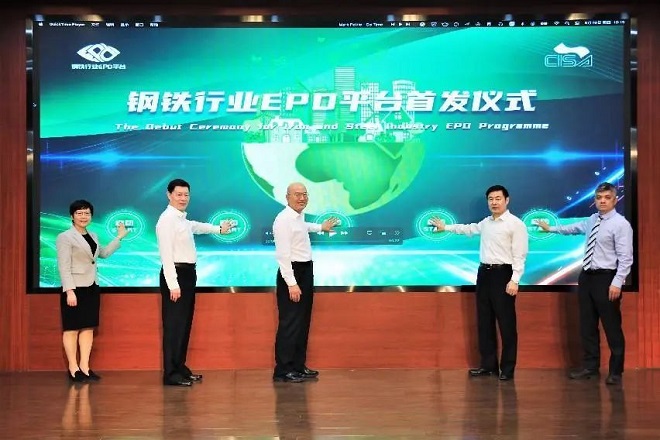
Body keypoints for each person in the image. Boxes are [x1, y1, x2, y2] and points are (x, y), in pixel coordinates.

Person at [536, 182, 633, 385]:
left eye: (607, 197)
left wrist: (617, 282)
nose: (602, 201)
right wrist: (550, 228)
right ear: (595, 200)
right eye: (599, 197)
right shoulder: (592, 220)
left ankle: (616, 372)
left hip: (607, 279)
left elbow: (626, 258)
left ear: (615, 200)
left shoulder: (621, 224)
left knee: (612, 326)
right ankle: (590, 367)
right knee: (587, 325)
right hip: (587, 277)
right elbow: (572, 228)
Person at [431, 184, 528, 381]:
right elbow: (469, 229)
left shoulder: (515, 224)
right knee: (484, 321)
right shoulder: (486, 222)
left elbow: (520, 255)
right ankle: (488, 366)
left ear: (507, 200)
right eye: (491, 199)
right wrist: (445, 227)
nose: (494, 202)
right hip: (484, 274)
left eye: (498, 198)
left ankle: (507, 369)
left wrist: (515, 280)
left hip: (503, 275)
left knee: (506, 323)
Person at [156, 178, 231, 387]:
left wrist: (219, 229)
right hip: (176, 275)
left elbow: (196, 227)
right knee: (174, 326)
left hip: (188, 274)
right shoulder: (166, 220)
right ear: (169, 195)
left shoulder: (181, 219)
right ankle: (171, 374)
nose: (183, 198)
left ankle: (180, 368)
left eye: (186, 195)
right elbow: (166, 255)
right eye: (179, 194)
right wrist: (173, 284)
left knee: (184, 324)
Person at [56, 199, 128, 382]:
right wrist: (69, 291)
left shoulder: (93, 235)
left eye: (87, 213)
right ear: (72, 216)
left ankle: (85, 368)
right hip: (74, 288)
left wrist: (119, 237)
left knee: (88, 327)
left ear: (91, 216)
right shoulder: (65, 237)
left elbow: (102, 254)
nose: (83, 216)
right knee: (72, 328)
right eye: (79, 213)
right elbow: (64, 266)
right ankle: (73, 368)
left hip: (91, 287)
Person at [272, 182, 338, 383]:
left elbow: (303, 227)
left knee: (302, 322)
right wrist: (291, 283)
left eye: (305, 194)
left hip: (305, 270)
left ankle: (298, 366)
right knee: (290, 323)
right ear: (287, 197)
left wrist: (321, 227)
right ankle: (283, 370)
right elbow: (282, 255)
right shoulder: (283, 220)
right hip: (292, 273)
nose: (302, 198)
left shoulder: (298, 217)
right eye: (297, 194)